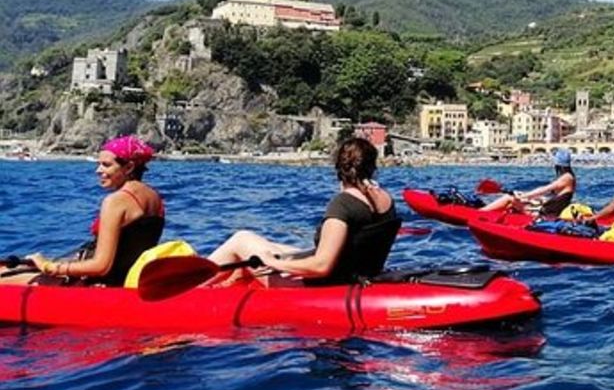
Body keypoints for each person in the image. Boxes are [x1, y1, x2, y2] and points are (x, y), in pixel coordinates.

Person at [208, 137, 399, 285]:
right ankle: (227, 284)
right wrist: (281, 257)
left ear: (339, 168)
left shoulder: (343, 204)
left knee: (241, 239)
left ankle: (188, 292)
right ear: (372, 167)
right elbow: (351, 248)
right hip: (354, 273)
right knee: (277, 250)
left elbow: (322, 266)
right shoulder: (387, 200)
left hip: (324, 284)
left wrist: (274, 263)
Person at [6, 135, 165, 286]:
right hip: (122, 278)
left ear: (129, 167)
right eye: (99, 164)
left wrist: (49, 267)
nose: (98, 170)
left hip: (100, 284)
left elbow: (101, 266)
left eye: (106, 165)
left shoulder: (116, 201)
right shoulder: (154, 197)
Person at [480, 148, 577, 218]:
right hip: (549, 210)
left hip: (545, 215)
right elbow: (550, 197)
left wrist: (525, 196)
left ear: (557, 163)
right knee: (514, 201)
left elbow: (543, 189)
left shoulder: (566, 178)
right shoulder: (569, 177)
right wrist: (523, 194)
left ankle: (479, 214)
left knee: (509, 199)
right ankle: (488, 214)